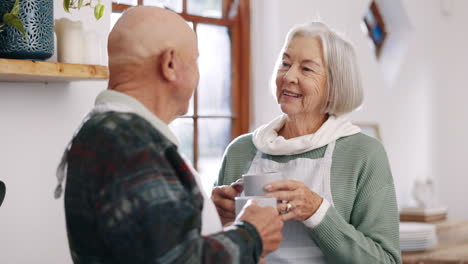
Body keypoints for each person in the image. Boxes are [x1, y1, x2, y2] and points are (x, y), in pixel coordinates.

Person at [54, 6, 283, 264]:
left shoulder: (113, 132)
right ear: (170, 64)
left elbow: (155, 245)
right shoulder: (128, 144)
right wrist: (251, 234)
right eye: (195, 60)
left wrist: (206, 216)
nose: (198, 74)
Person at [212, 22, 401, 263]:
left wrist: (317, 212)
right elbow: (207, 251)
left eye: (307, 69)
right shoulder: (240, 150)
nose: (289, 76)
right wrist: (213, 217)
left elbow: (386, 260)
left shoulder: (364, 154)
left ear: (335, 83)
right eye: (285, 64)